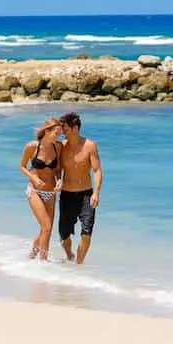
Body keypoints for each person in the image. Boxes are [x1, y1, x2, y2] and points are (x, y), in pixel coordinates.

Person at [56, 111, 102, 264]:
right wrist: (58, 180)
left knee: (87, 233)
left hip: (86, 195)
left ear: (75, 128)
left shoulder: (90, 146)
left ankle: (78, 266)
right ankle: (69, 255)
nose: (63, 133)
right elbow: (57, 170)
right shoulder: (62, 147)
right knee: (63, 234)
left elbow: (97, 170)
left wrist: (96, 192)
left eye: (65, 129)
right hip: (67, 195)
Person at [19, 118, 63, 260]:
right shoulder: (32, 146)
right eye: (56, 133)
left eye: (60, 133)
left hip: (50, 192)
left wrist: (59, 180)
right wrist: (33, 178)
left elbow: (57, 169)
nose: (59, 136)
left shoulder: (58, 147)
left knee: (46, 229)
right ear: (47, 131)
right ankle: (43, 262)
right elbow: (22, 167)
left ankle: (31, 256)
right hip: (34, 191)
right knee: (47, 227)